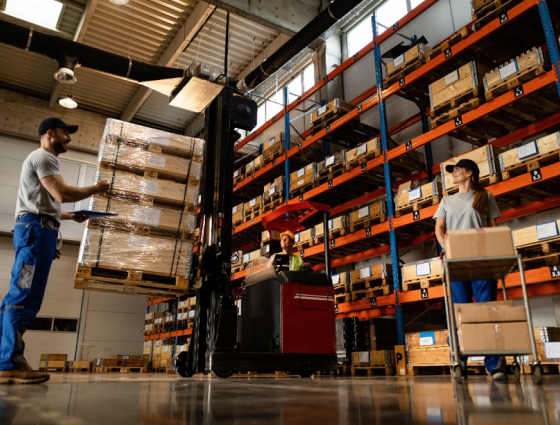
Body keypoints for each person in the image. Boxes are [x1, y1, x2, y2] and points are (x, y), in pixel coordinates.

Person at [0, 117, 110, 385]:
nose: (69, 138)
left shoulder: (41, 160)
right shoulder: (44, 157)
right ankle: (9, 363)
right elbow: (60, 193)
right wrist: (95, 188)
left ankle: (6, 360)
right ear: (50, 133)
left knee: (19, 295)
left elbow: (45, 202)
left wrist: (71, 217)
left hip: (37, 232)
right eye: (65, 133)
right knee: (23, 294)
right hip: (34, 235)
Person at [433, 158, 506, 381]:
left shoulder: (485, 197)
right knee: (459, 312)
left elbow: (493, 229)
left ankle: (494, 364)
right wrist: (447, 246)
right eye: (452, 171)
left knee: (486, 310)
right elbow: (439, 228)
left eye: (457, 170)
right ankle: (459, 360)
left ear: (470, 173)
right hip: (456, 261)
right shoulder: (446, 201)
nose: (453, 174)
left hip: (482, 260)